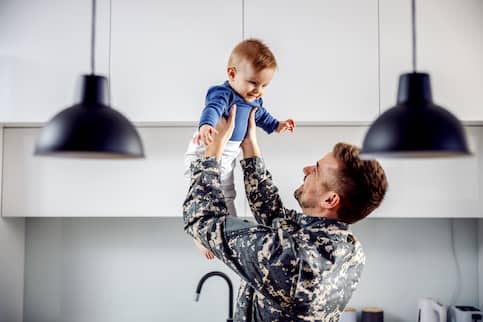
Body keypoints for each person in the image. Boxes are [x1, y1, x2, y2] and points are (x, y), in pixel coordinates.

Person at [183, 106, 389, 321]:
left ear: (330, 199)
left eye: (316, 170)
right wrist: (249, 144)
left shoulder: (293, 261)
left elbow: (202, 220)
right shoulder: (348, 248)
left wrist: (213, 151)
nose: (306, 170)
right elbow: (274, 216)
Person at [184, 39, 295, 259]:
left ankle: (225, 234)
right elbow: (213, 109)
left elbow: (261, 116)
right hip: (206, 149)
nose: (258, 91)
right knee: (203, 193)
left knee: (227, 195)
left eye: (264, 85)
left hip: (229, 154)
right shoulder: (223, 93)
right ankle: (198, 235)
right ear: (232, 74)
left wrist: (277, 125)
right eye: (253, 83)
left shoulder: (254, 100)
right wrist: (206, 126)